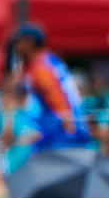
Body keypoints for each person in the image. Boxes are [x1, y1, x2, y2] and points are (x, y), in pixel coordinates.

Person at [11, 24, 92, 153]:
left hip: (61, 134)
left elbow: (55, 96)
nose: (16, 47)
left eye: (18, 42)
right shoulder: (48, 60)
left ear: (30, 42)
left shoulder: (40, 67)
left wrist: (67, 125)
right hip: (63, 129)